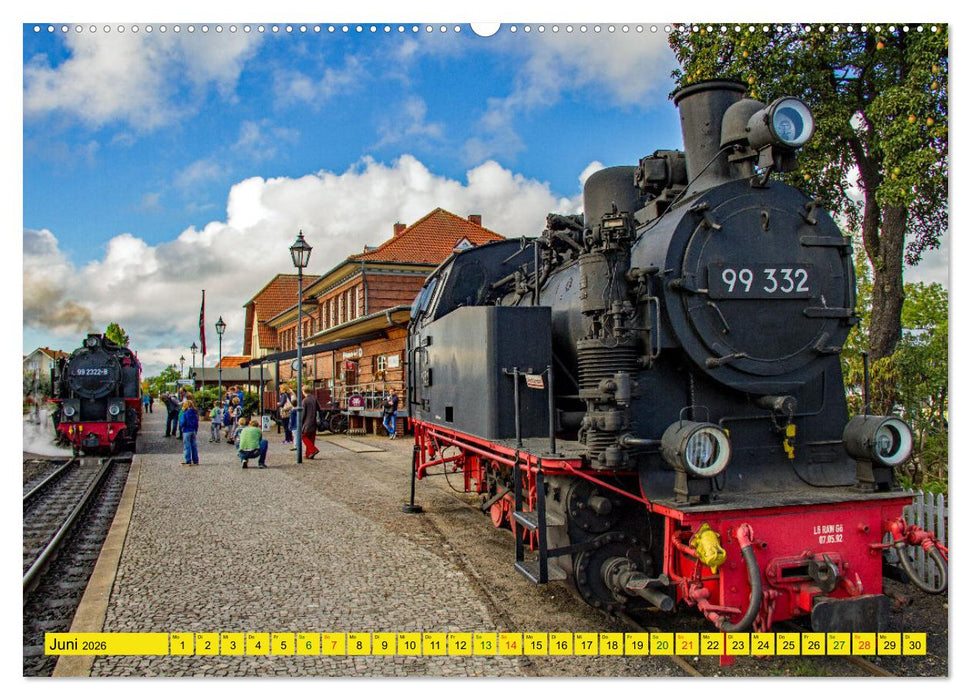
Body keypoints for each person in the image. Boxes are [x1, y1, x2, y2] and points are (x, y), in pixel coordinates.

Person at [301, 387, 320, 459]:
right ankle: (308, 454)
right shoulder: (314, 399)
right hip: (314, 421)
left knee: (303, 436)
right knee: (311, 438)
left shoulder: (304, 401)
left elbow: (303, 413)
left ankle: (313, 450)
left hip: (307, 423)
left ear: (303, 391)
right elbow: (319, 409)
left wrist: (300, 423)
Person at [179, 399, 200, 465]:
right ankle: (195, 460)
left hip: (186, 430)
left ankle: (188, 460)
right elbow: (197, 423)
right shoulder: (195, 413)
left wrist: (181, 426)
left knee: (187, 446)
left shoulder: (185, 413)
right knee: (194, 446)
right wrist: (196, 430)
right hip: (193, 430)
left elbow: (182, 422)